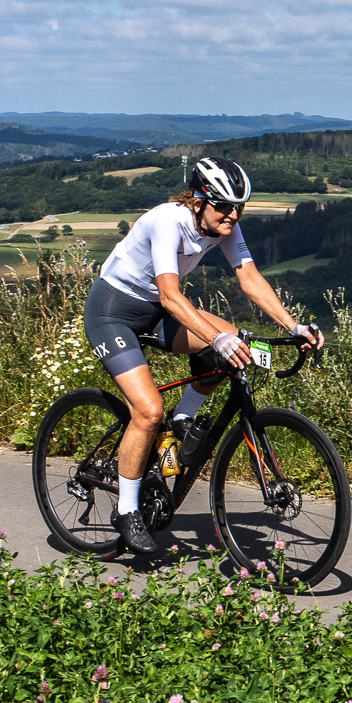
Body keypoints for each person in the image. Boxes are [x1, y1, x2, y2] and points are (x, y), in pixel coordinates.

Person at [81, 157, 322, 553]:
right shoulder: (167, 221)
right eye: (224, 206)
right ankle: (126, 511)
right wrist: (216, 338)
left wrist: (292, 326)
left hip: (157, 311)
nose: (233, 214)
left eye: (239, 207)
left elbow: (249, 277)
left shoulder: (223, 224)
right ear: (197, 200)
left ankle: (181, 420)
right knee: (147, 411)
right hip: (113, 312)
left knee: (231, 345)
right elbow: (170, 296)